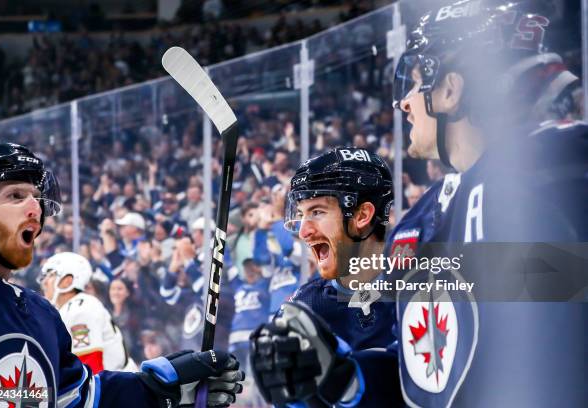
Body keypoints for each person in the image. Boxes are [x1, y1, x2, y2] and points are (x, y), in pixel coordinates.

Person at [386, 1, 586, 406]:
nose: (404, 102)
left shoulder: (551, 163)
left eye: (415, 81)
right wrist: (345, 377)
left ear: (449, 89)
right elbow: (428, 371)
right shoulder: (427, 215)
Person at [0, 142, 244, 407]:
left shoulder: (41, 314)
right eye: (15, 195)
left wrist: (162, 390)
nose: (36, 208)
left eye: (37, 197)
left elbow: (81, 398)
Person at [249, 147, 402, 407]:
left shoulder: (422, 284)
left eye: (317, 212)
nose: (304, 231)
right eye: (300, 215)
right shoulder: (306, 306)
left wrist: (348, 379)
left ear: (362, 216)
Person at [38, 251, 138, 374]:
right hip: (112, 385)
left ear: (67, 281)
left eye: (51, 275)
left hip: (114, 389)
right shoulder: (69, 308)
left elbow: (90, 368)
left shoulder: (80, 310)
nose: (45, 282)